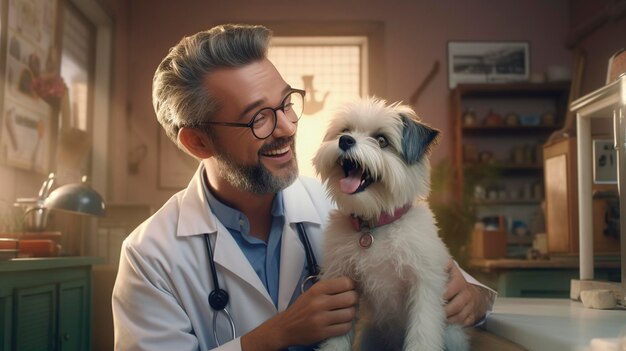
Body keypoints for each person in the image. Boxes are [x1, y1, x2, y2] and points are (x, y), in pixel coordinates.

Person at [112, 24, 496, 351]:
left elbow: (439, 277)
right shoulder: (150, 256)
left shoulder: (345, 203)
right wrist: (273, 335)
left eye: (286, 104)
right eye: (258, 118)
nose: (286, 128)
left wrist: (474, 297)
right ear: (198, 143)